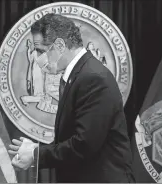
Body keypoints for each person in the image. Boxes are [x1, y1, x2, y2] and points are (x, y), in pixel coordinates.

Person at [8, 13, 135, 183]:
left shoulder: (93, 77)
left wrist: (36, 154)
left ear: (60, 45)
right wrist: (36, 149)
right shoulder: (77, 75)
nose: (37, 59)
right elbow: (70, 136)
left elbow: (84, 144)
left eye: (40, 50)